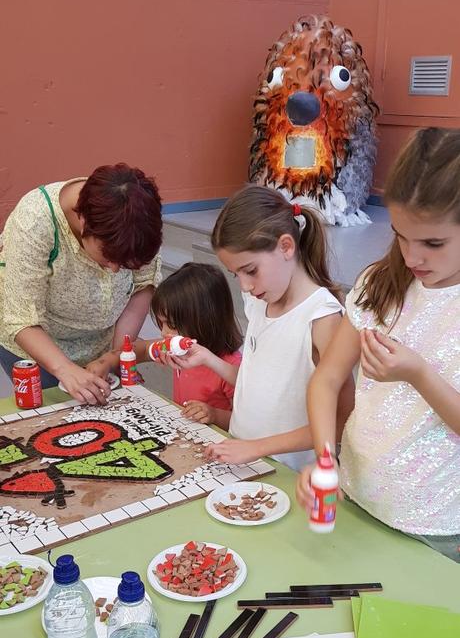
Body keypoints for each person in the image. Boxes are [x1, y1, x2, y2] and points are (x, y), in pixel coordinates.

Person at [296, 127, 460, 638]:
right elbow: (330, 376)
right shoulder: (380, 282)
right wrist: (325, 457)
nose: (411, 257)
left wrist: (421, 373)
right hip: (360, 500)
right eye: (400, 236)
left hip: (434, 527)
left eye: (434, 245)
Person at [171, 184, 355, 469]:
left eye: (251, 270)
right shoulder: (258, 300)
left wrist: (257, 448)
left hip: (287, 475)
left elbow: (341, 421)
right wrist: (207, 358)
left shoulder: (323, 318)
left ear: (285, 246)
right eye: (236, 275)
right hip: (245, 463)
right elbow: (256, 383)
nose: (244, 286)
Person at [0, 164, 162, 405]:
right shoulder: (35, 220)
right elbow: (22, 318)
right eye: (109, 257)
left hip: (104, 342)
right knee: (56, 420)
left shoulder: (139, 219)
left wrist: (116, 355)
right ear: (83, 221)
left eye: (126, 265)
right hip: (39, 344)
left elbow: (142, 286)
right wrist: (65, 370)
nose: (115, 270)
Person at [89, 262, 242, 429]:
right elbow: (139, 350)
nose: (164, 333)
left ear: (205, 320)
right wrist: (105, 362)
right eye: (161, 324)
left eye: (171, 324)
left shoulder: (230, 366)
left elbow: (244, 423)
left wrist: (213, 414)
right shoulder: (179, 349)